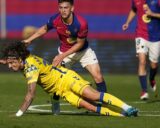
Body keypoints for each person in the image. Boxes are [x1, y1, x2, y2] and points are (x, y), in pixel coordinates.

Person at [0, 41, 138, 117]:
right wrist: (5, 61)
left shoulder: (30, 67)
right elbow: (8, 61)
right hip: (61, 91)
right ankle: (123, 116)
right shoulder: (22, 60)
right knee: (90, 106)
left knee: (93, 96)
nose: (11, 66)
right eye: (9, 63)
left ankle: (128, 108)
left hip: (65, 79)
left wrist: (18, 114)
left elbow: (30, 95)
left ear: (19, 59)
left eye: (12, 63)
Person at [23, 0, 107, 113]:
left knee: (98, 76)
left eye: (66, 8)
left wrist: (61, 56)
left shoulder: (81, 23)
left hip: (83, 51)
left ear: (72, 8)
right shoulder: (55, 19)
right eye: (61, 7)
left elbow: (79, 44)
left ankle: (105, 104)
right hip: (64, 52)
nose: (63, 10)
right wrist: (30, 40)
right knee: (57, 82)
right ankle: (55, 106)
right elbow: (45, 28)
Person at [122, 0, 160, 100]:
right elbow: (133, 10)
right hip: (141, 34)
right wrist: (127, 22)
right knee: (142, 61)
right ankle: (144, 91)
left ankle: (152, 78)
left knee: (153, 64)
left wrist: (152, 14)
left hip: (156, 36)